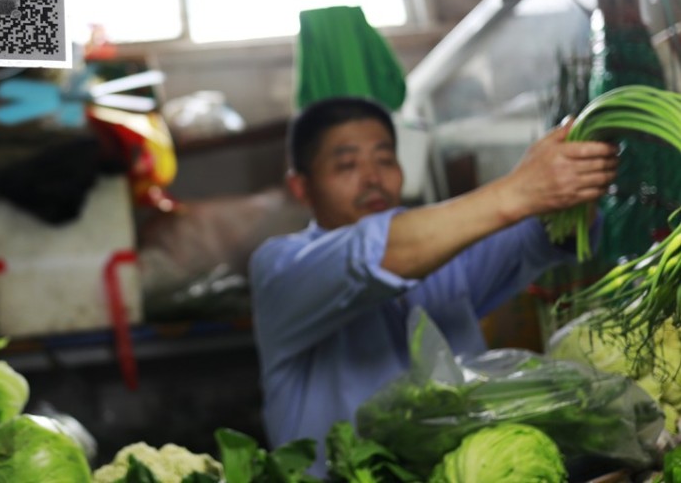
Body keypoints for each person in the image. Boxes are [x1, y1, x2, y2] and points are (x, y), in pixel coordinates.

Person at [249, 96, 618, 474]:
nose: (373, 178)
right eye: (347, 165)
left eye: (385, 159)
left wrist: (579, 173)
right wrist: (520, 190)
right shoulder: (280, 267)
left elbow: (541, 234)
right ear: (301, 187)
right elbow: (372, 256)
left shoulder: (442, 253)